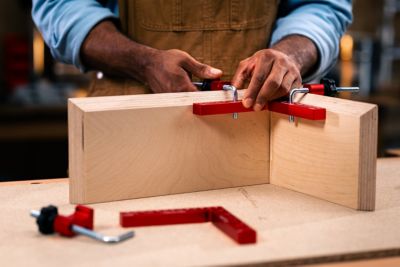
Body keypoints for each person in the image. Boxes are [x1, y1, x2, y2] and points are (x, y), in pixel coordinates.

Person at [32, 0, 352, 111]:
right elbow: (58, 5)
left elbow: (322, 6)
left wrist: (289, 56)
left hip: (260, 125)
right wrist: (143, 62)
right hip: (129, 125)